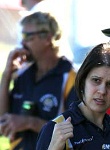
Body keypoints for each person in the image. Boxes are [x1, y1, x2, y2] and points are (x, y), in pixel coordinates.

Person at [0, 12, 78, 150]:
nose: (22, 43)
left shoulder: (70, 77)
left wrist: (30, 122)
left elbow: (75, 131)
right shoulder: (23, 74)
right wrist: (6, 76)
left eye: (27, 36)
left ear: (48, 38)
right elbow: (2, 121)